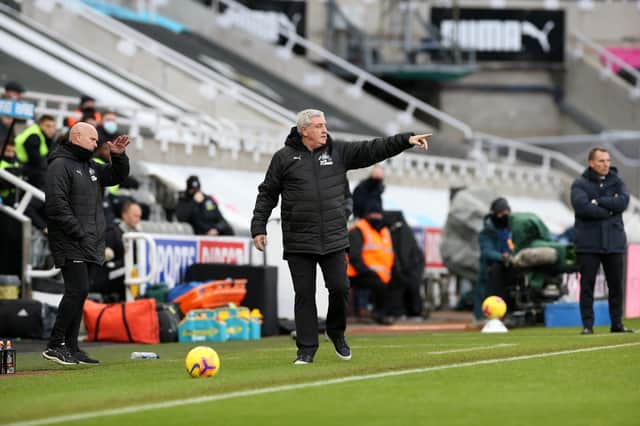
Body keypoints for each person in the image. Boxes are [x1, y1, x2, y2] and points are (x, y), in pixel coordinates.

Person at [251, 108, 431, 364]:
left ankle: (336, 332)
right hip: (299, 239)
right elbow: (267, 193)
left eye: (324, 125)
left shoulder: (339, 152)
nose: (324, 130)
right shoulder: (283, 158)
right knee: (304, 295)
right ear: (304, 131)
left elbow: (373, 149)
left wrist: (405, 140)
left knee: (339, 288)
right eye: (318, 126)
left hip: (334, 237)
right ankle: (306, 349)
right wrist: (258, 227)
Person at [42, 122, 130, 365]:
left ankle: (71, 347)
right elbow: (56, 205)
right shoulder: (59, 165)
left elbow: (117, 176)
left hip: (88, 241)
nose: (96, 144)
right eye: (92, 139)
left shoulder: (89, 166)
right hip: (71, 239)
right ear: (77, 136)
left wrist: (118, 157)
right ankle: (55, 344)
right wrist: (78, 232)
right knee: (76, 290)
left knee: (81, 294)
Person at [570, 147, 634, 335]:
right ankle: (588, 325)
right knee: (587, 286)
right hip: (588, 243)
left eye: (607, 160)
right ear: (591, 163)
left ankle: (617, 324)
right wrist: (610, 208)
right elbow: (582, 208)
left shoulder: (618, 182)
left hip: (614, 242)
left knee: (616, 286)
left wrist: (598, 201)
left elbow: (623, 203)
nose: (606, 164)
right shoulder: (579, 184)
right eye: (601, 161)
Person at [347, 199, 395, 325]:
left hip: (379, 273)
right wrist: (367, 271)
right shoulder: (359, 230)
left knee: (394, 284)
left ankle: (384, 313)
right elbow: (354, 256)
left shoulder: (383, 231)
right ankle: (379, 314)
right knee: (378, 285)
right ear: (367, 215)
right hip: (354, 272)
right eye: (373, 214)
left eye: (378, 214)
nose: (377, 217)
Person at [476, 197, 514, 324]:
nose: (504, 216)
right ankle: (482, 319)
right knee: (487, 300)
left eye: (506, 212)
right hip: (490, 271)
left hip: (508, 270)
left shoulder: (511, 229)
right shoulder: (487, 232)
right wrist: (503, 257)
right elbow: (487, 251)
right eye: (501, 213)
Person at [94, 201, 142, 301]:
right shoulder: (112, 232)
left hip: (124, 272)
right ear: (124, 215)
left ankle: (136, 302)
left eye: (139, 216)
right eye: (135, 216)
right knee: (132, 271)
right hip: (107, 275)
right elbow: (104, 258)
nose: (138, 220)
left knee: (137, 270)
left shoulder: (138, 235)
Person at [14, 114, 56, 190]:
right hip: (19, 167)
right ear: (40, 125)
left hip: (25, 166)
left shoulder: (41, 135)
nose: (51, 130)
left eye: (53, 127)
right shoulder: (34, 136)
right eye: (48, 126)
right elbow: (36, 161)